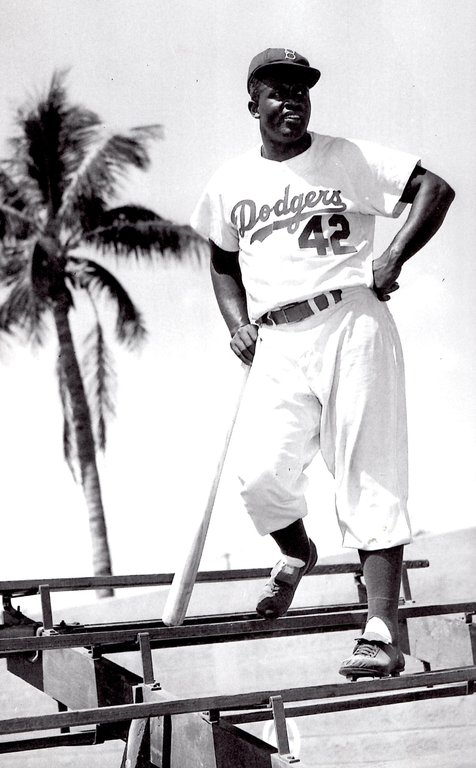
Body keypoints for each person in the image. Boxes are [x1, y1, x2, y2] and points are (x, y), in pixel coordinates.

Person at [190, 47, 454, 679]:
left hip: (351, 320)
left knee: (369, 474)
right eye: (277, 91)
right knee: (259, 477)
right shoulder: (230, 181)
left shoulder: (347, 157)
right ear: (252, 102)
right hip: (278, 336)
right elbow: (222, 260)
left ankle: (380, 631)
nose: (293, 100)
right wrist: (236, 325)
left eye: (301, 89)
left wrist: (392, 258)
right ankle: (298, 550)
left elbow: (433, 190)